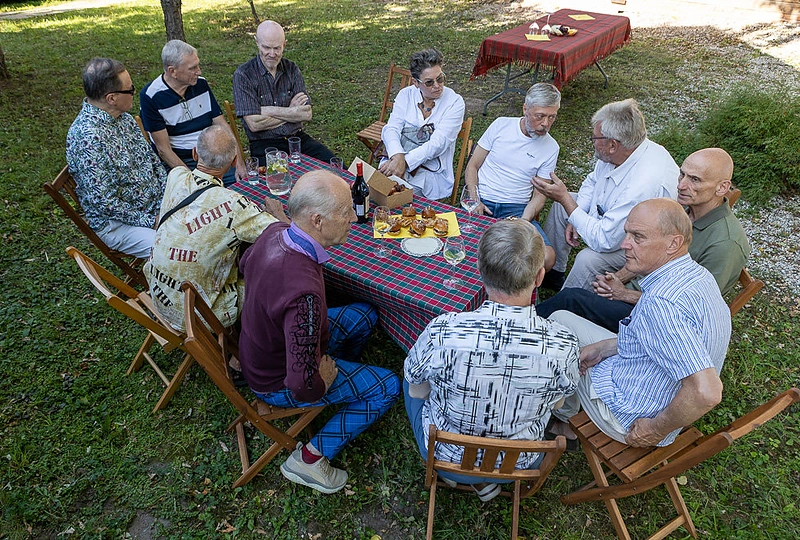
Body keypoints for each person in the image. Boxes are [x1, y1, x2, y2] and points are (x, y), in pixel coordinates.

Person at [238, 170, 400, 494]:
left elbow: (244, 266)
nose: (354, 217)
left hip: (263, 349)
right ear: (317, 221)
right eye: (345, 212)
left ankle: (345, 380)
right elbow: (302, 385)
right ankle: (310, 459)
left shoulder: (275, 231)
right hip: (279, 378)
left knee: (365, 314)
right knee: (389, 385)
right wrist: (321, 380)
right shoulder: (305, 296)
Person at [404, 219, 579, 501]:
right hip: (520, 462)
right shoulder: (564, 344)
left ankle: (462, 476)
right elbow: (558, 403)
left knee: (411, 377)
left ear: (480, 272)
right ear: (539, 278)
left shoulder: (444, 330)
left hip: (448, 455)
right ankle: (485, 480)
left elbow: (417, 389)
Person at [546, 198, 731, 449]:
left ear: (673, 243)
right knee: (562, 319)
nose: (624, 245)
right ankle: (566, 417)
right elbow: (655, 339)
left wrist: (654, 430)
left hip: (628, 416)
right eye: (627, 234)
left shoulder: (662, 303)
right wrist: (602, 349)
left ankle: (563, 421)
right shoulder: (697, 276)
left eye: (638, 237)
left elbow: (707, 392)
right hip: (650, 384)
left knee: (556, 330)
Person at [537, 148, 750, 331]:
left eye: (694, 180)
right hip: (635, 290)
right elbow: (647, 254)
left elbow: (692, 308)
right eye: (682, 175)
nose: (681, 185)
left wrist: (623, 295)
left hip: (653, 316)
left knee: (571, 300)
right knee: (586, 273)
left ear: (722, 188)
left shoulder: (726, 244)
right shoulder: (684, 208)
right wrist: (618, 279)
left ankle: (526, 325)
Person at [144, 125, 288, 331]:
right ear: (234, 162)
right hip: (200, 316)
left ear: (195, 153)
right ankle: (249, 346)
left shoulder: (175, 176)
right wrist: (279, 214)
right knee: (269, 276)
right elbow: (288, 238)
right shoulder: (234, 205)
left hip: (160, 296)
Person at [534, 99, 679, 291]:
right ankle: (553, 273)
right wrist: (577, 210)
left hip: (638, 241)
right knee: (563, 207)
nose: (593, 143)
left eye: (595, 139)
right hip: (609, 216)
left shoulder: (642, 185)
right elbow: (593, 180)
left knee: (588, 259)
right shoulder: (623, 149)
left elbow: (605, 241)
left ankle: (564, 305)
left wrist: (568, 203)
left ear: (612, 145)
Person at [66, 57, 167, 259]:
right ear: (111, 98)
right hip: (120, 224)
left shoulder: (124, 118)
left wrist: (169, 194)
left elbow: (152, 160)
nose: (134, 93)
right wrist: (153, 220)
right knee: (179, 251)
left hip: (155, 204)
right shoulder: (88, 138)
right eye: (130, 90)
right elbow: (106, 204)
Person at [464, 83, 561, 270]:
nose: (545, 124)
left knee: (548, 257)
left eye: (552, 117)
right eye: (540, 116)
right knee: (461, 246)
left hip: (516, 210)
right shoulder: (501, 125)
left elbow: (539, 197)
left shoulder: (551, 147)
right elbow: (473, 166)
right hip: (482, 201)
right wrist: (474, 199)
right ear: (525, 108)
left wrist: (522, 222)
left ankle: (518, 295)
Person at [140, 40, 245, 186]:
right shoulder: (151, 96)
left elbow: (221, 124)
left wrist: (239, 162)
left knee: (241, 190)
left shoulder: (200, 84)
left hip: (213, 155)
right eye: (192, 68)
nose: (199, 71)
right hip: (182, 161)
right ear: (172, 71)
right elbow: (164, 150)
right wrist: (193, 182)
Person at [232, 20, 336, 165]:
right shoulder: (244, 75)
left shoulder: (292, 69)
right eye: (266, 47)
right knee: (284, 180)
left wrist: (267, 111)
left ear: (284, 45)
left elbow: (306, 113)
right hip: (265, 145)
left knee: (336, 165)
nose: (272, 54)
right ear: (257, 42)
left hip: (297, 139)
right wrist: (291, 111)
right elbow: (254, 124)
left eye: (277, 48)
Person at [377, 48, 465, 200]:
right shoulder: (406, 95)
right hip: (395, 161)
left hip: (431, 174)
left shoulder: (455, 102)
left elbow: (438, 143)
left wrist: (404, 162)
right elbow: (391, 128)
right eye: (429, 82)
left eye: (440, 78)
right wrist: (397, 156)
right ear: (416, 83)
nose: (437, 86)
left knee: (392, 197)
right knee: (375, 192)